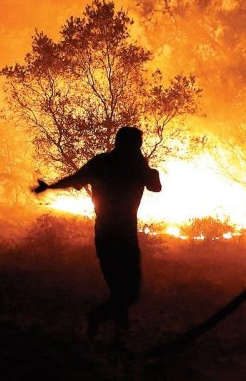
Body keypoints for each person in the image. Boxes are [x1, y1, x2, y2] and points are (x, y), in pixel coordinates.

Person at [33, 126, 162, 341]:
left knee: (121, 292)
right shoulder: (126, 166)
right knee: (127, 293)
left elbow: (154, 186)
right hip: (116, 237)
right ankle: (98, 321)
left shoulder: (107, 163)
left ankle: (117, 338)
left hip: (114, 236)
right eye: (135, 146)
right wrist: (50, 187)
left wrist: (50, 187)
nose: (136, 150)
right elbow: (155, 186)